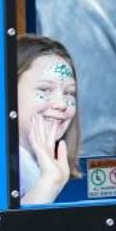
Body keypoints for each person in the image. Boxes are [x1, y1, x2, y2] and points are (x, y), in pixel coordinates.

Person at [15, 35, 80, 206]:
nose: (61, 104)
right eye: (45, 89)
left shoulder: (37, 164)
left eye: (69, 93)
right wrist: (50, 181)